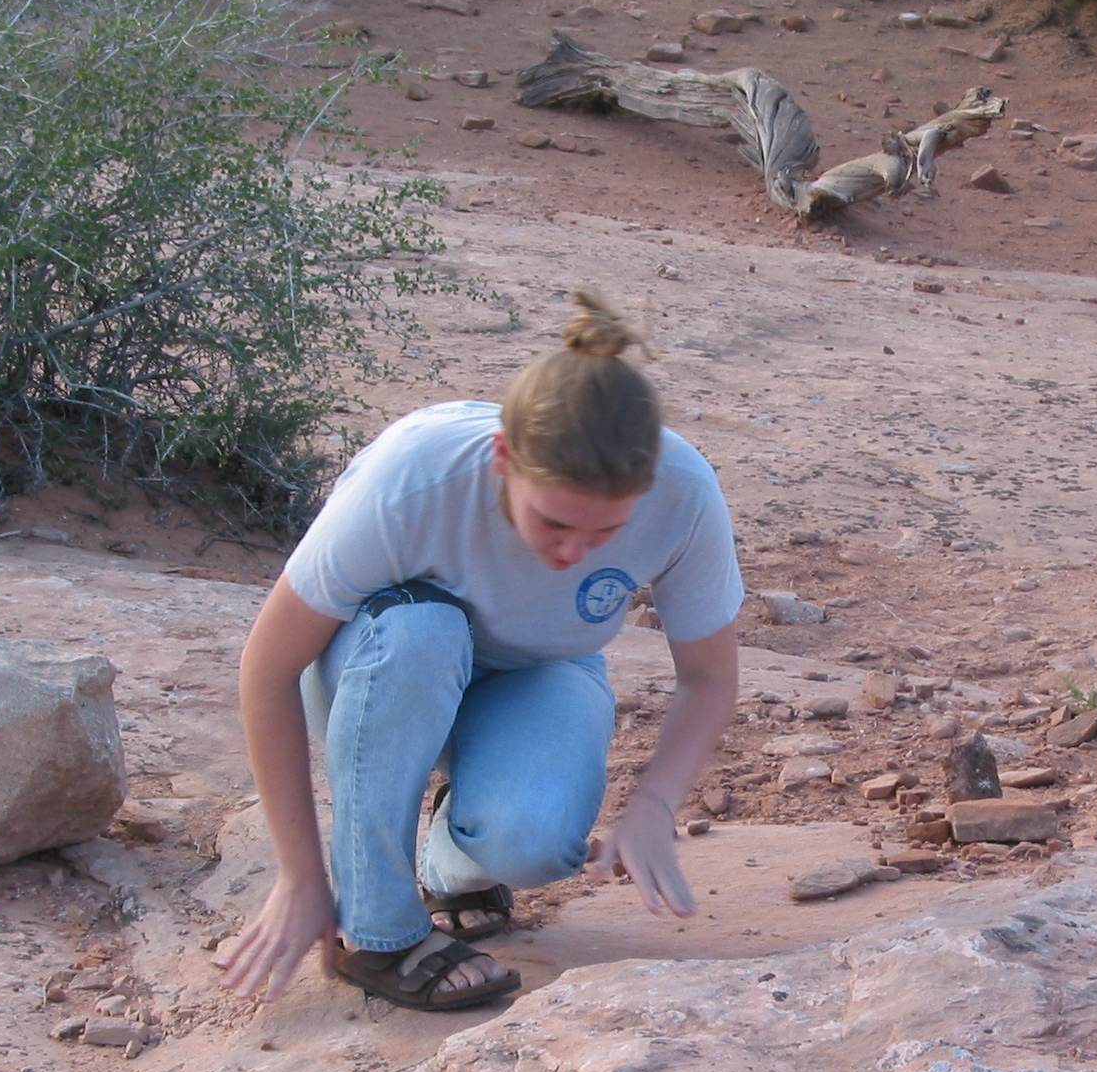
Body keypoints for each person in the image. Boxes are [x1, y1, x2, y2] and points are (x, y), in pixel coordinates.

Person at [218, 293, 744, 1010]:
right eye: (554, 521)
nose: (572, 553)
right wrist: (300, 877)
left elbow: (710, 676)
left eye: (603, 535)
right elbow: (269, 668)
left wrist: (653, 802)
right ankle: (379, 932)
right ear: (504, 457)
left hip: (538, 669)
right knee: (425, 630)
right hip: (380, 667)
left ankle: (451, 860)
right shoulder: (414, 476)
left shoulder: (682, 494)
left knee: (536, 842)